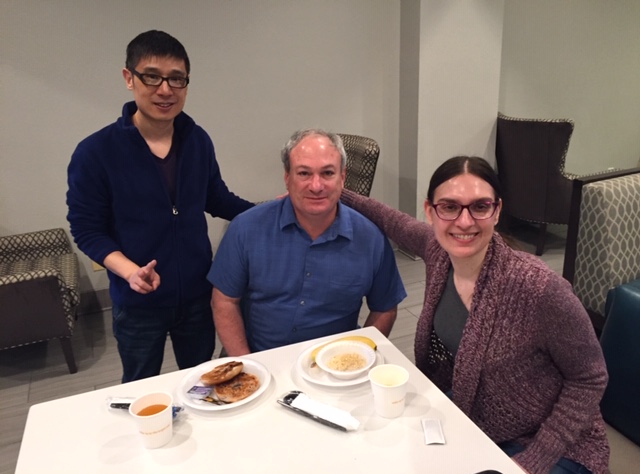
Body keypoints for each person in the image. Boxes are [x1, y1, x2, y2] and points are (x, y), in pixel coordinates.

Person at [340, 156, 609, 474]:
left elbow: (590, 377)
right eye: (449, 207)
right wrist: (334, 191)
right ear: (430, 211)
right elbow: (392, 219)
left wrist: (537, 458)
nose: (464, 221)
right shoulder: (438, 252)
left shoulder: (539, 289)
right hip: (477, 417)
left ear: (497, 211)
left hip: (557, 444)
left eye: (480, 206)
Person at [66, 30, 254, 383]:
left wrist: (269, 211)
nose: (165, 90)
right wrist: (129, 271)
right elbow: (87, 229)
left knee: (202, 382)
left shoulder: (197, 140)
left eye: (176, 79)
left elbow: (217, 199)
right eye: (152, 77)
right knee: (140, 386)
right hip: (137, 302)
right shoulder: (95, 152)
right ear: (129, 78)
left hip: (198, 293)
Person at [207, 129, 406, 355]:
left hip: (334, 363)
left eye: (327, 173)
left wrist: (358, 355)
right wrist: (248, 364)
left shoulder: (371, 239)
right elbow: (224, 301)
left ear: (342, 178)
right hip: (261, 356)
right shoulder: (245, 229)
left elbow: (385, 308)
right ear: (287, 177)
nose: (316, 186)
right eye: (304, 173)